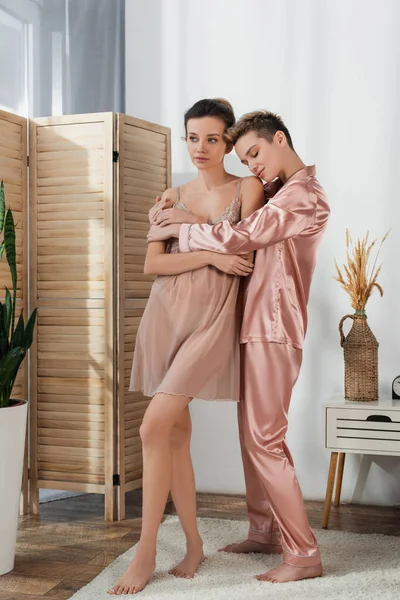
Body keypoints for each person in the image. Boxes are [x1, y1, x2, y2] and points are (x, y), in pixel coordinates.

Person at [148, 109, 331, 584]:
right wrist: (178, 198)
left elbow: (243, 236)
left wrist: (183, 226)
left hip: (274, 327)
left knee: (265, 439)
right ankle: (265, 530)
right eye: (245, 157)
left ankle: (304, 554)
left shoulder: (301, 197)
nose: (252, 166)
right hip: (251, 325)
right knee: (253, 437)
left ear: (281, 139)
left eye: (256, 153)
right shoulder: (277, 192)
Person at [108, 99, 265, 596]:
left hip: (214, 318)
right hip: (168, 313)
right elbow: (153, 266)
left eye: (212, 139)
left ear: (228, 142)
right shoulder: (171, 194)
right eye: (192, 138)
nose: (200, 148)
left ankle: (146, 549)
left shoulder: (248, 187)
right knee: (172, 434)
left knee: (152, 424)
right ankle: (193, 543)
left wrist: (196, 239)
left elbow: (245, 250)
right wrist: (210, 255)